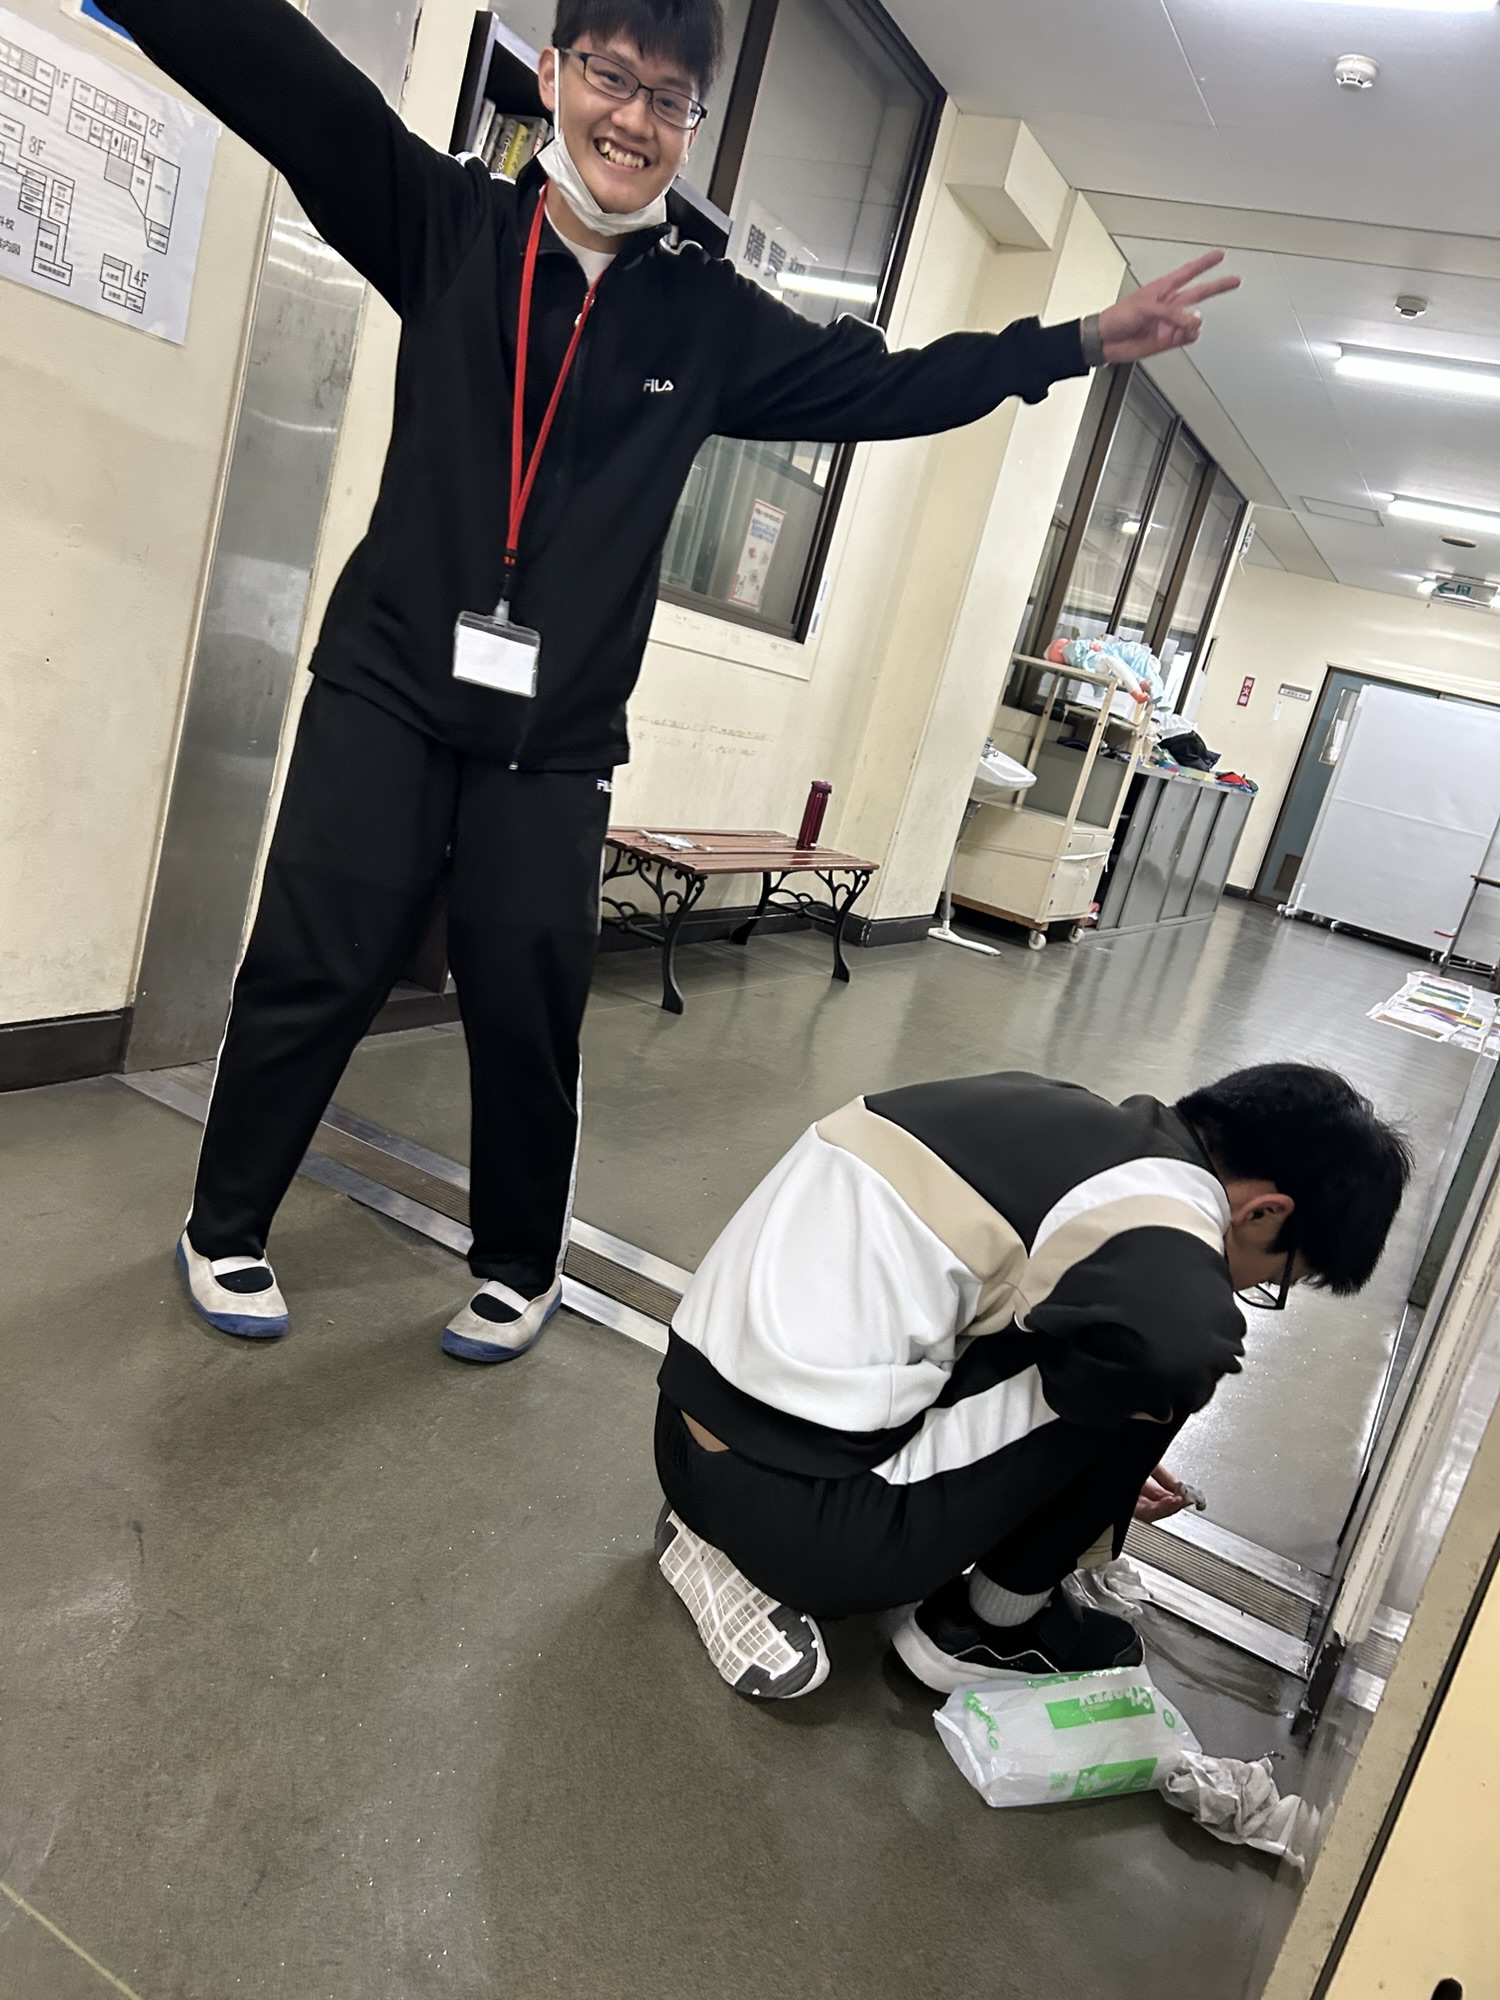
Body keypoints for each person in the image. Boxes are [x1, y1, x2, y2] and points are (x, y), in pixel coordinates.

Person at [106, 0, 1239, 1363]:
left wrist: (1069, 345)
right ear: (555, 74)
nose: (633, 120)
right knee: (311, 969)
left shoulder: (705, 317)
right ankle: (225, 1225)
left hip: (555, 737)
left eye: (669, 100)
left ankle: (518, 1263)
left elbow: (880, 385)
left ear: (692, 125)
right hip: (387, 689)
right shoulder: (446, 224)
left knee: (528, 1011)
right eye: (611, 77)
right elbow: (292, 86)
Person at [652, 1064, 1411, 1698]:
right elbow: (1178, 1350)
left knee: (1075, 1329)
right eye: (1274, 1278)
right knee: (1157, 1375)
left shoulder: (1052, 1111)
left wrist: (1063, 1467)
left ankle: (723, 1534)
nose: (1252, 1287)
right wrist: (1104, 1453)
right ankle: (990, 1629)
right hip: (808, 1535)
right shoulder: (1167, 1214)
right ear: (1264, 1211)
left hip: (684, 1440)